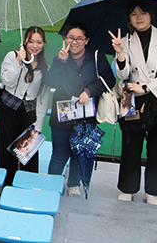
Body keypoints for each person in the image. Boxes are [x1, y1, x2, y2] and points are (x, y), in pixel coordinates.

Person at [110, 0, 157, 206]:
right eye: (134, 14)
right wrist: (120, 53)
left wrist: (147, 87)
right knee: (130, 146)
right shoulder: (124, 40)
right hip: (132, 100)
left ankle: (153, 191)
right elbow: (122, 74)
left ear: (151, 15)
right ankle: (128, 188)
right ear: (129, 19)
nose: (139, 17)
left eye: (143, 13)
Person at [43, 22, 115, 196]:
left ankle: (73, 185)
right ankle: (51, 187)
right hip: (62, 116)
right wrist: (60, 61)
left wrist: (90, 91)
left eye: (79, 39)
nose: (74, 42)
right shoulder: (62, 57)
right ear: (66, 39)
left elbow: (109, 79)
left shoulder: (97, 56)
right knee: (59, 155)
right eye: (70, 38)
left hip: (86, 116)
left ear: (86, 40)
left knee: (79, 153)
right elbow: (50, 81)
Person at [0, 26, 51, 187]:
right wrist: (18, 61)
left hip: (29, 113)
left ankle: (27, 186)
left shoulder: (45, 67)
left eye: (39, 42)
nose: (35, 45)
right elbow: (7, 80)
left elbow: (43, 98)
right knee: (6, 151)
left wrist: (38, 127)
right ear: (25, 41)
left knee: (28, 152)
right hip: (9, 109)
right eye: (31, 41)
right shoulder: (12, 56)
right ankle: (6, 185)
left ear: (44, 44)